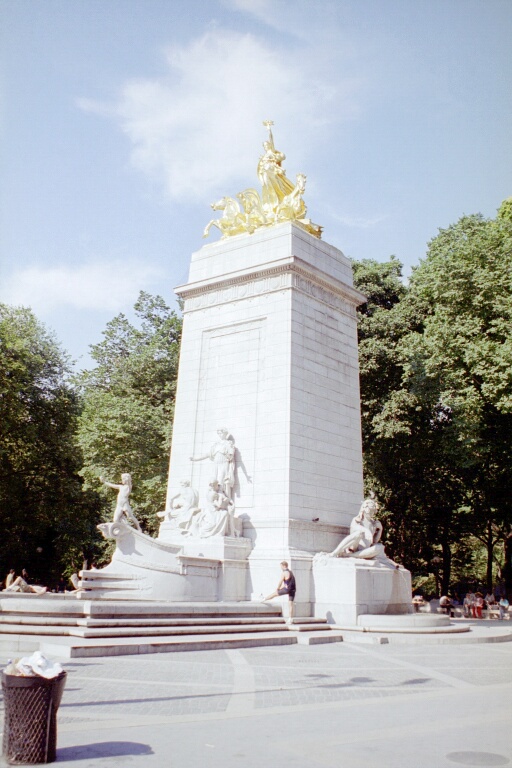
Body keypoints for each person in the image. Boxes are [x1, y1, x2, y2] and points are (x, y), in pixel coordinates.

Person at [190, 429, 236, 499]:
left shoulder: (228, 443)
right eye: (219, 433)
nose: (220, 435)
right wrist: (195, 459)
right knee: (213, 480)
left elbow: (231, 454)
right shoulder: (216, 444)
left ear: (225, 434)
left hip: (223, 463)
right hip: (216, 463)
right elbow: (208, 454)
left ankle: (222, 497)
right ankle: (214, 497)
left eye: (221, 433)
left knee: (221, 480)